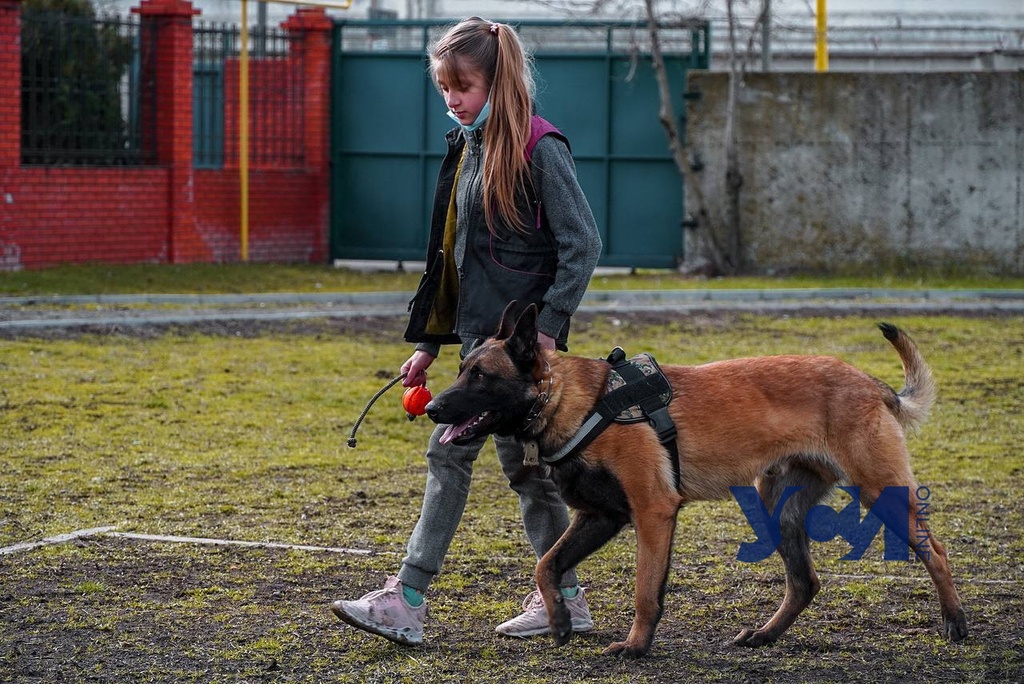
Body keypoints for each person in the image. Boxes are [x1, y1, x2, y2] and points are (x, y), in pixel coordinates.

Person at [331, 16, 603, 646]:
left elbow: (582, 244)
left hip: (516, 360)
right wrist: (429, 343)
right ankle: (565, 600)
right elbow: (452, 259)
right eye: (445, 88)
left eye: (464, 87)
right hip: (479, 351)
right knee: (524, 474)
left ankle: (407, 598)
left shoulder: (541, 147)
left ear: (497, 84)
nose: (452, 99)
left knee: (457, 456)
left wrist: (547, 331)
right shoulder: (467, 149)